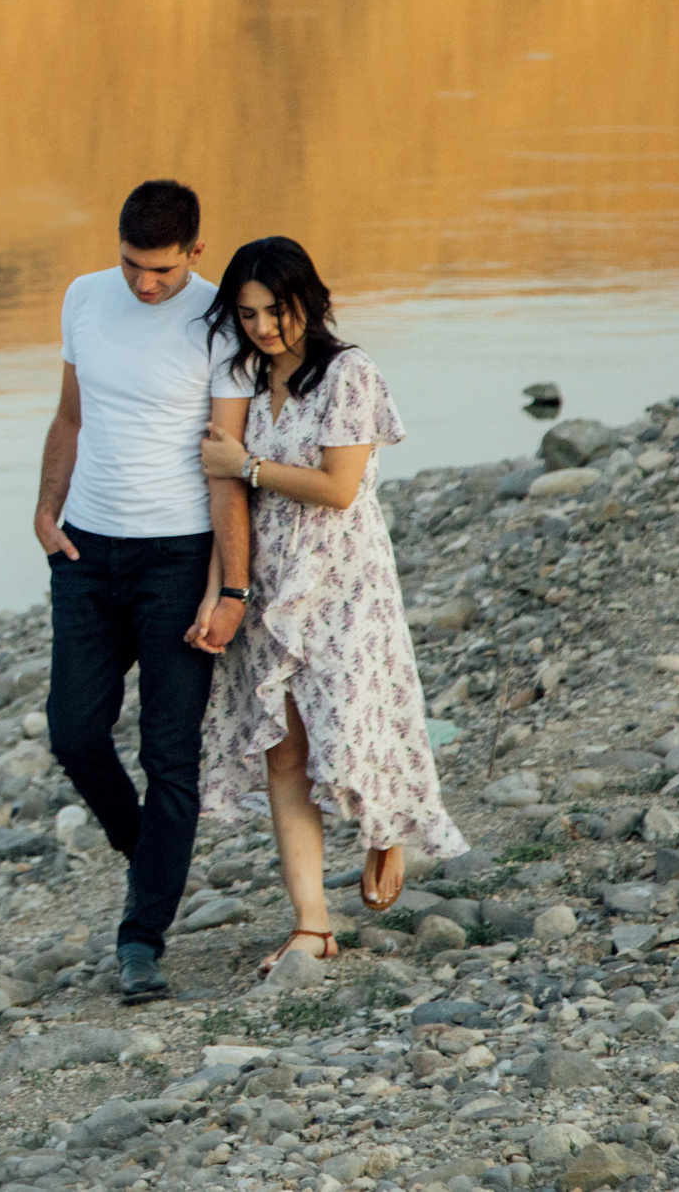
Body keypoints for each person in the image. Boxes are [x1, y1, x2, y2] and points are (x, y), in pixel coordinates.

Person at [191, 237, 466, 976]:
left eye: (275, 310)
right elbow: (232, 501)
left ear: (308, 299)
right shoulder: (245, 382)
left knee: (353, 723)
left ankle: (385, 828)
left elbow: (340, 487)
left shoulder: (350, 373)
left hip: (344, 579)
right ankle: (311, 922)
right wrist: (222, 589)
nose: (262, 326)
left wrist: (245, 462)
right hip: (272, 583)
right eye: (247, 313)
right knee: (285, 745)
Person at [35, 179, 253, 1001]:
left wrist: (229, 588)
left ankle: (142, 938)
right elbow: (70, 415)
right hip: (87, 553)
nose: (143, 284)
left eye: (160, 270)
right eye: (132, 264)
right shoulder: (85, 298)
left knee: (170, 756)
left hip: (176, 557)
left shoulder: (219, 320)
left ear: (194, 251)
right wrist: (47, 506)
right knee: (74, 732)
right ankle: (153, 852)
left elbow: (226, 462)